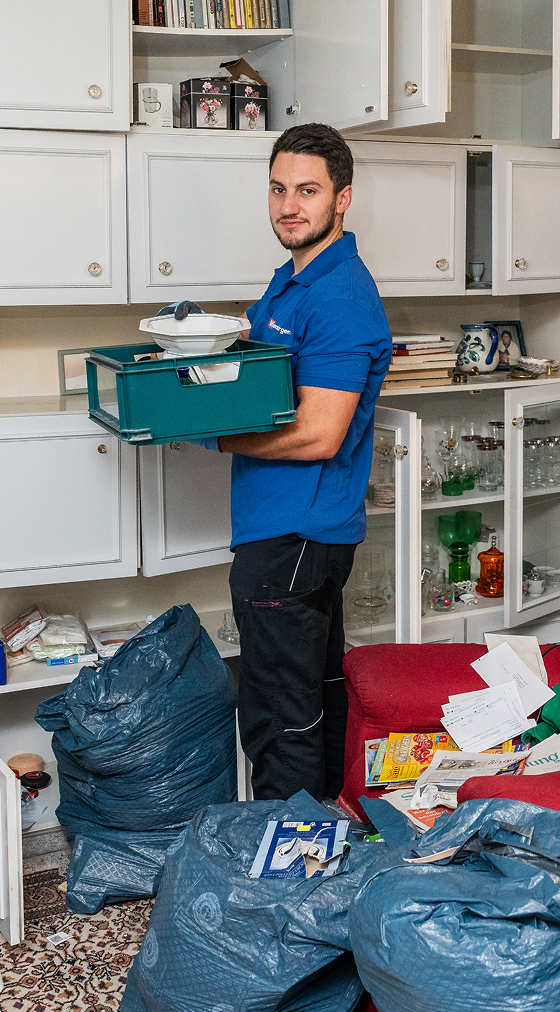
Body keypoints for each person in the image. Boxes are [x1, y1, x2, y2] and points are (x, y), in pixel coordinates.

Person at [190, 123, 392, 801]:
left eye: (307, 190)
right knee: (314, 699)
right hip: (287, 526)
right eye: (278, 189)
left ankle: (286, 878)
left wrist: (213, 435)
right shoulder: (296, 279)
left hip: (295, 535)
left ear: (343, 199)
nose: (288, 205)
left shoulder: (339, 295)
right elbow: (272, 381)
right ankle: (321, 852)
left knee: (281, 716)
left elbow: (319, 434)